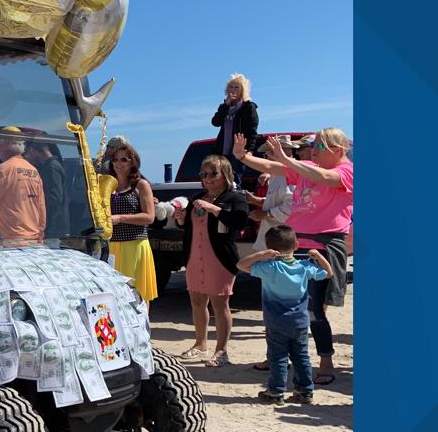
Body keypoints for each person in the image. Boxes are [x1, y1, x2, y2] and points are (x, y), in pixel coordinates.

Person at [234, 127, 353, 385]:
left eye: (320, 146)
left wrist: (289, 160)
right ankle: (276, 355)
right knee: (277, 301)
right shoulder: (307, 166)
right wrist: (243, 157)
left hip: (323, 245)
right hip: (295, 243)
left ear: (339, 150)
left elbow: (323, 177)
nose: (312, 151)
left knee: (313, 309)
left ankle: (325, 361)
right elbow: (273, 166)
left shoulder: (347, 171)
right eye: (313, 146)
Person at [237, 225, 332, 404]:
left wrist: (261, 255)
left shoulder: (269, 267)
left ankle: (276, 391)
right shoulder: (304, 267)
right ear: (296, 245)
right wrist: (319, 257)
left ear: (270, 248)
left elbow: (241, 265)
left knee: (278, 357)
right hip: (300, 322)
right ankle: (305, 391)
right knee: (302, 356)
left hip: (276, 322)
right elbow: (329, 273)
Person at [173, 155, 249, 366]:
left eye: (213, 173)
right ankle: (200, 344)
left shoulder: (235, 198)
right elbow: (187, 227)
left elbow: (239, 221)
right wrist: (180, 218)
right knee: (197, 301)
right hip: (195, 256)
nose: (208, 178)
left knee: (220, 303)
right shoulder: (197, 197)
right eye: (204, 174)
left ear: (225, 174)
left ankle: (222, 350)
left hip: (219, 257)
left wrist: (214, 209)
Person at [106, 141, 157, 304]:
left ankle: (142, 329)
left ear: (132, 161)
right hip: (112, 246)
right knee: (114, 295)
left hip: (134, 246)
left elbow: (149, 217)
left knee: (138, 296)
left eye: (123, 159)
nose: (118, 164)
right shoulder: (108, 185)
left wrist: (120, 218)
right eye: (115, 160)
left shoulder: (140, 185)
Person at [0, 127, 46, 245]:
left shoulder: (2, 170)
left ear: (3, 145)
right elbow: (41, 206)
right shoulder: (33, 170)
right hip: (35, 238)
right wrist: (40, 234)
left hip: (12, 239)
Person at [246, 136, 299, 252]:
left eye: (267, 153)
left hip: (282, 244)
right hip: (276, 241)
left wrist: (265, 214)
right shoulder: (278, 173)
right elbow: (279, 200)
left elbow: (292, 206)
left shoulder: (291, 173)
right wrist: (255, 200)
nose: (265, 158)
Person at [212, 73, 259, 181]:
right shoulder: (224, 107)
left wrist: (250, 150)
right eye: (231, 87)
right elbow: (215, 122)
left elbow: (252, 131)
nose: (233, 89)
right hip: (222, 151)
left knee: (234, 180)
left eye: (236, 87)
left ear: (242, 90)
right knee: (221, 180)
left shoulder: (248, 107)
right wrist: (226, 106)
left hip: (238, 150)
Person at [24, 140, 69, 240]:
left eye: (28, 152)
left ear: (33, 150)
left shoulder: (51, 167)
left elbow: (54, 198)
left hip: (53, 228)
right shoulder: (50, 166)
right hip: (53, 226)